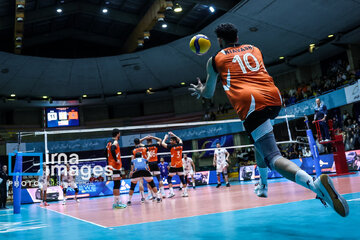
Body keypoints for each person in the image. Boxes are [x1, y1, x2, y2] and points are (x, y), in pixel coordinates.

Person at [189, 23, 349, 217]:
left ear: (219, 41)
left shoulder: (215, 60)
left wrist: (200, 90)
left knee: (273, 157)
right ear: (237, 38)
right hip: (273, 98)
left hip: (251, 104)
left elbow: (208, 93)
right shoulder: (254, 48)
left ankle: (315, 186)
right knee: (259, 142)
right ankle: (263, 185)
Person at [161, 132, 188, 197]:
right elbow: (180, 139)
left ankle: (172, 192)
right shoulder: (181, 146)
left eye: (171, 140)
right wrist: (174, 135)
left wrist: (165, 138)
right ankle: (185, 193)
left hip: (173, 166)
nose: (170, 141)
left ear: (174, 141)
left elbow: (162, 143)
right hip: (180, 165)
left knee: (169, 179)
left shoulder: (171, 146)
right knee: (182, 178)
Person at [106, 128, 127, 209]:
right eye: (119, 133)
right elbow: (112, 149)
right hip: (115, 166)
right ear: (117, 134)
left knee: (117, 184)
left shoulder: (108, 143)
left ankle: (116, 202)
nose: (120, 135)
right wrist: (116, 160)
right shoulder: (115, 142)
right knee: (117, 184)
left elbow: (106, 153)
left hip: (112, 166)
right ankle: (117, 203)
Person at [132, 137, 151, 202]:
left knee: (140, 182)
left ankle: (143, 197)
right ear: (140, 142)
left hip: (138, 167)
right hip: (145, 166)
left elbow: (132, 160)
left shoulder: (134, 150)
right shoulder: (145, 148)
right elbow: (149, 155)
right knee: (149, 181)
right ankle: (152, 195)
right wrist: (146, 161)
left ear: (134, 143)